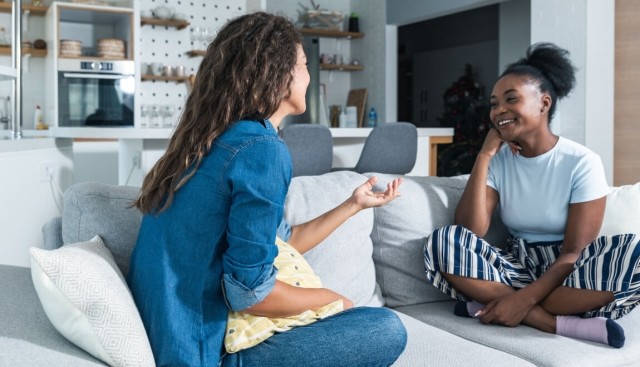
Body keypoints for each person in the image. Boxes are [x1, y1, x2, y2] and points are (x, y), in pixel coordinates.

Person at [127, 12, 407, 367]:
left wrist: (353, 205)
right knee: (385, 328)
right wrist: (330, 298)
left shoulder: (210, 143)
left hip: (177, 340)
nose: (307, 75)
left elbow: (281, 242)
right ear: (278, 75)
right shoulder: (260, 149)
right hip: (205, 352)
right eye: (304, 64)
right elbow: (249, 294)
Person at [423, 42, 640, 349]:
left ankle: (494, 305)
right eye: (494, 103)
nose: (499, 111)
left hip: (568, 271)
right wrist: (484, 155)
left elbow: (574, 251)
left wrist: (522, 298)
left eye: (511, 99)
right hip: (517, 265)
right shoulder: (497, 161)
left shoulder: (581, 161)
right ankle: (551, 322)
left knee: (637, 253)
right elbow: (469, 231)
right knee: (444, 240)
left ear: (544, 103)